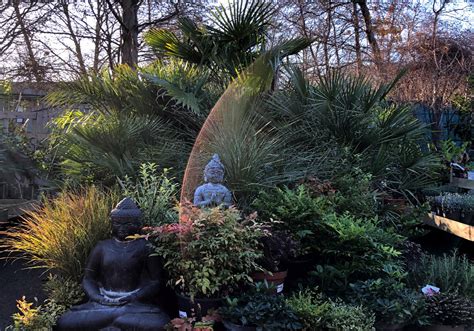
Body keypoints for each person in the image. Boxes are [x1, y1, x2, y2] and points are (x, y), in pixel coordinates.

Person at [57, 197, 170, 331]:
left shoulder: (146, 247)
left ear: (138, 224)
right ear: (112, 223)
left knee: (161, 324)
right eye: (117, 223)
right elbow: (88, 279)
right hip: (102, 303)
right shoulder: (102, 247)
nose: (122, 228)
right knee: (65, 321)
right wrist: (98, 298)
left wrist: (134, 297)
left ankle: (110, 320)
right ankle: (116, 320)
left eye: (128, 223)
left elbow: (155, 281)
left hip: (133, 304)